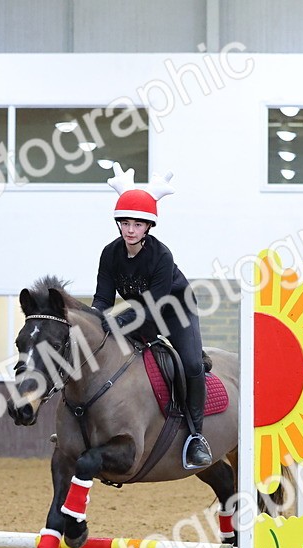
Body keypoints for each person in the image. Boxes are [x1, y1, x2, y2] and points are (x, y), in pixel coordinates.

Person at [90, 166, 213, 470]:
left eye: (137, 224)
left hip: (175, 312)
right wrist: (94, 323)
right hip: (140, 314)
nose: (130, 230)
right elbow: (103, 299)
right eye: (126, 223)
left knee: (192, 364)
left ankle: (197, 437)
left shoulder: (161, 256)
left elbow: (155, 304)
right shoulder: (109, 254)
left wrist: (119, 320)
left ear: (148, 227)